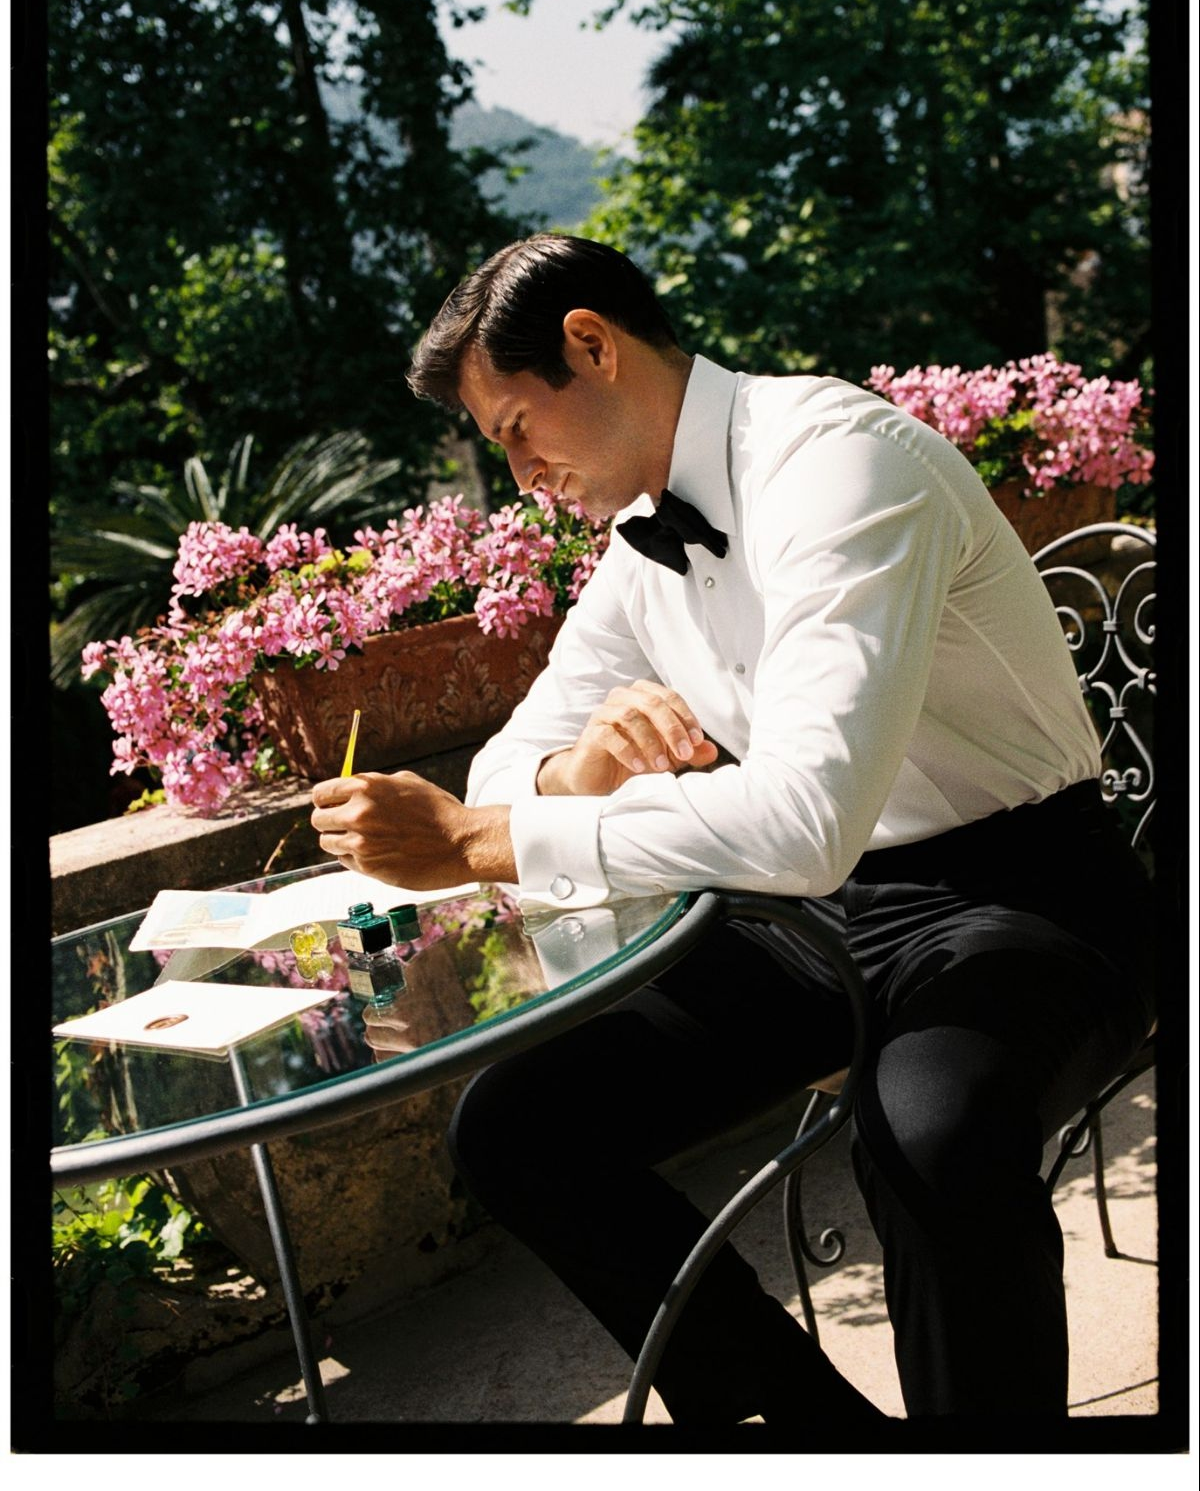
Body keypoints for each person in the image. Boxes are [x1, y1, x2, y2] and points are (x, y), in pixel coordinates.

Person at [309, 234, 1154, 1429]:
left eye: (517, 430)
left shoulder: (840, 464)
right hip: (820, 915)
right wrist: (581, 767)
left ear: (591, 345)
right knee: (516, 1127)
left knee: (930, 1137)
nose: (521, 474)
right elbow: (507, 760)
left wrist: (478, 845)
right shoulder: (641, 542)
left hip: (1030, 890)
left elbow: (802, 820)